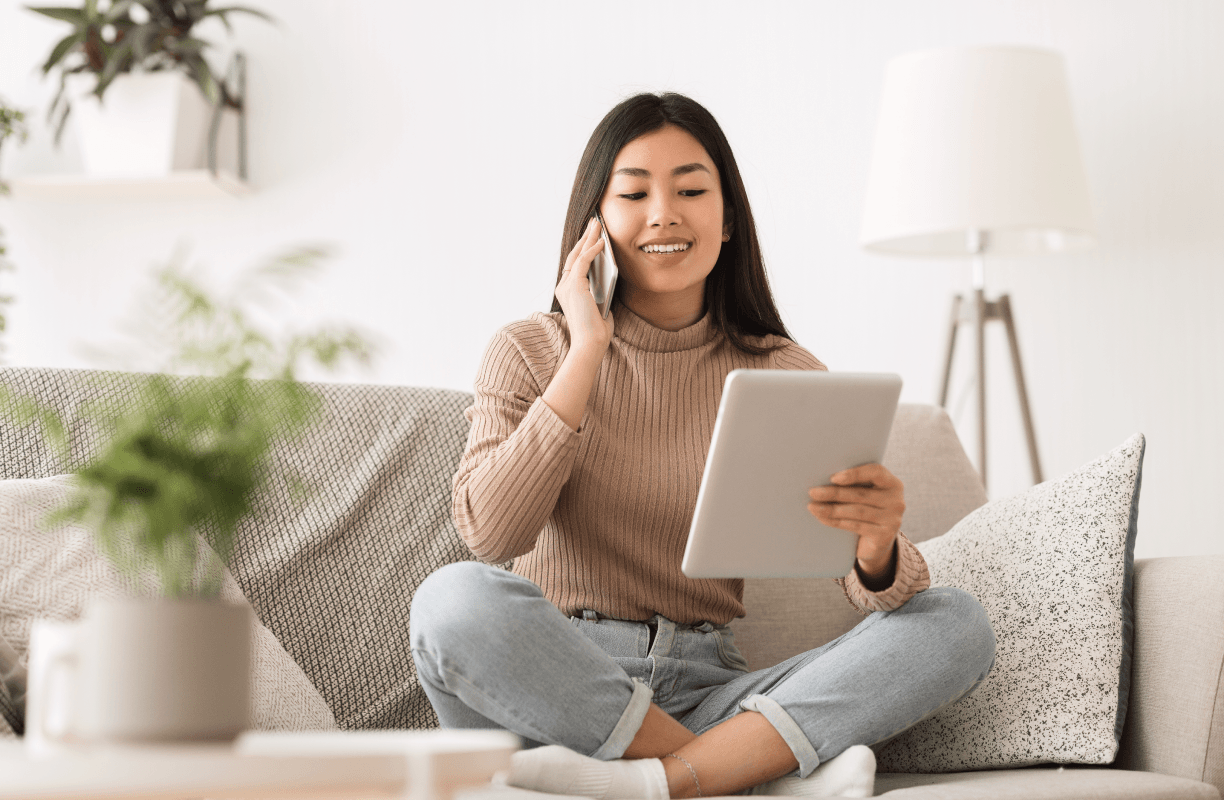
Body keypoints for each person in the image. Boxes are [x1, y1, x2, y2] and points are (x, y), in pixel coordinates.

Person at [410, 92, 995, 800]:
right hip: (557, 689)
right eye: (634, 193)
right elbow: (490, 532)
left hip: (708, 684)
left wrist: (876, 548)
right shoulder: (531, 351)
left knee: (954, 623)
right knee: (450, 601)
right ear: (594, 224)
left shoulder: (781, 370)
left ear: (727, 224)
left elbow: (868, 589)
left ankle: (651, 781)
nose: (664, 213)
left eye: (691, 189)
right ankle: (728, 772)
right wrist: (586, 351)